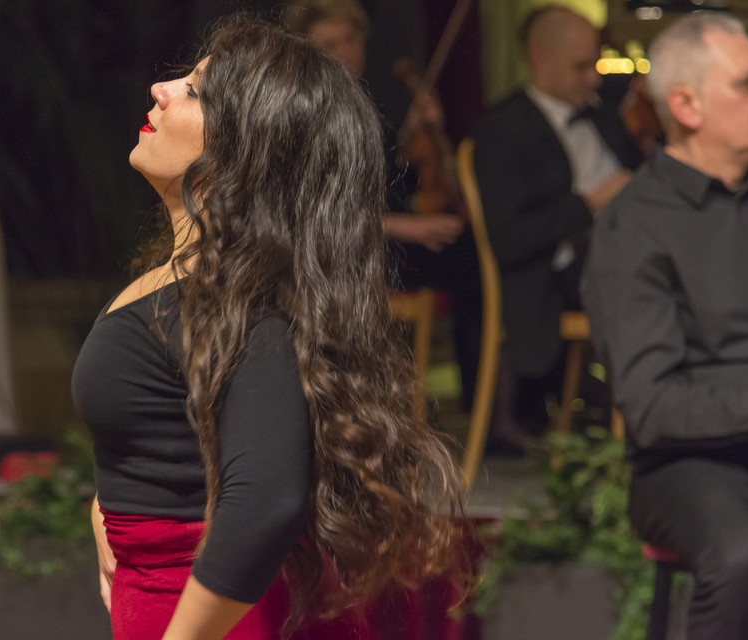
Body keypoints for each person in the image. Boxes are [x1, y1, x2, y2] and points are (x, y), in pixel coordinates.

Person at [72, 14, 465, 640]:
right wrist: (109, 506)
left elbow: (265, 503)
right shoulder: (195, 281)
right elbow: (166, 429)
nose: (161, 89)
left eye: (194, 91)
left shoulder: (249, 305)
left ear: (242, 149)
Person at [581, 12, 748, 640]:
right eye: (745, 84)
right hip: (688, 462)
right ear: (685, 105)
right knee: (741, 556)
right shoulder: (634, 226)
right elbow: (651, 406)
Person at [284, 0, 483, 413]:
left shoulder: (367, 108)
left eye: (350, 39)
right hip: (339, 253)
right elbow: (314, 213)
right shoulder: (305, 116)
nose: (344, 51)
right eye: (330, 44)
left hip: (377, 242)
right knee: (467, 260)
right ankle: (477, 407)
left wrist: (431, 128)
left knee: (473, 249)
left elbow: (401, 187)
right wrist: (404, 227)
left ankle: (481, 402)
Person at [471, 5, 643, 434]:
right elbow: (509, 238)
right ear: (540, 60)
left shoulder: (604, 115)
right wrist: (590, 203)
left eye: (596, 64)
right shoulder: (503, 129)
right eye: (581, 67)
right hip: (562, 274)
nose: (594, 78)